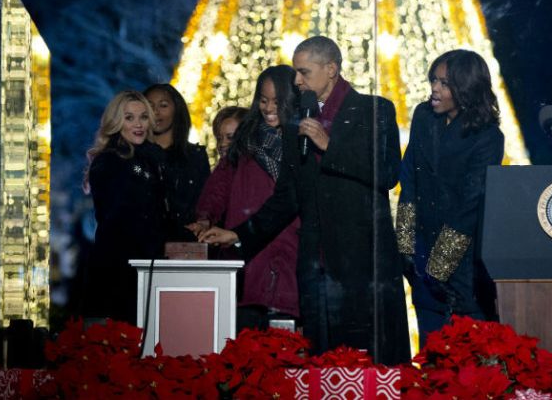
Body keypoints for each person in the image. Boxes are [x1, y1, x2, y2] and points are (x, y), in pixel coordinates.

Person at [200, 36, 410, 365]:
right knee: (320, 364)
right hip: (314, 267)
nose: (296, 81)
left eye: (303, 72)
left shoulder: (375, 109)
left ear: (331, 69)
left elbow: (388, 173)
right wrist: (241, 233)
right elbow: (287, 198)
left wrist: (331, 145)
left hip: (363, 266)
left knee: (369, 364)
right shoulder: (297, 122)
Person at [396, 49, 504, 348]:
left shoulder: (488, 137)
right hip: (420, 257)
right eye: (434, 80)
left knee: (468, 363)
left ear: (466, 88)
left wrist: (438, 267)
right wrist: (405, 248)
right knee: (431, 358)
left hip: (463, 269)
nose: (435, 88)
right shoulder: (423, 116)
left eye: (444, 83)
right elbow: (409, 180)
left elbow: (470, 205)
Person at [188, 66, 301, 331]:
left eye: (277, 101)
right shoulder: (246, 141)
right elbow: (219, 186)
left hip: (289, 249)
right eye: (263, 100)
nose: (269, 107)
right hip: (248, 251)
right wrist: (206, 217)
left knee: (286, 341)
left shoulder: (303, 143)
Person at [82, 90, 167, 324]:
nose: (138, 124)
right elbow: (121, 218)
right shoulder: (113, 161)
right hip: (116, 271)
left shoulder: (140, 161)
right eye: (129, 118)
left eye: (143, 117)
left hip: (137, 268)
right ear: (116, 122)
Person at [143, 83, 210, 240]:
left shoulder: (196, 157)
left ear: (177, 109)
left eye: (163, 105)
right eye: (149, 106)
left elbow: (207, 202)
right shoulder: (136, 159)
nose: (156, 112)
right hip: (143, 248)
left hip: (188, 247)